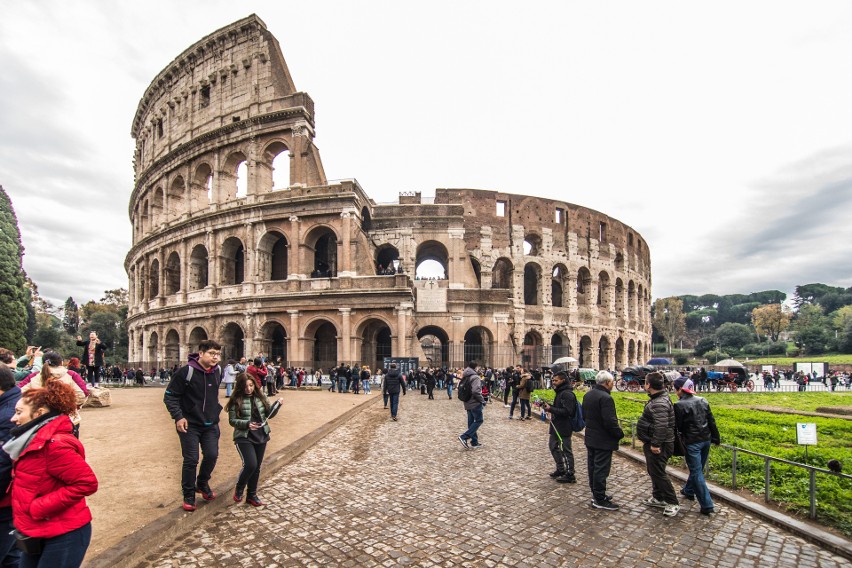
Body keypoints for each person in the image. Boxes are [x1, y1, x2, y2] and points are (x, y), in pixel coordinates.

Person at [4, 380, 98, 567]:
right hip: (38, 529)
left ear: (39, 414)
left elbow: (87, 483)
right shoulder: (29, 440)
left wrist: (38, 507)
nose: (13, 419)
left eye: (19, 412)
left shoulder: (55, 445)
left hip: (64, 533)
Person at [163, 340, 223, 512]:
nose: (216, 357)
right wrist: (178, 416)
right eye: (212, 353)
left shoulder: (217, 371)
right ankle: (188, 494)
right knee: (191, 460)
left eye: (218, 354)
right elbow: (170, 396)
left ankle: (202, 483)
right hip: (189, 423)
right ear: (201, 353)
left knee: (212, 455)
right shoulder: (186, 372)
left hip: (211, 423)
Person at [226, 373, 282, 507]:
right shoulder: (236, 400)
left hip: (261, 434)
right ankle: (240, 488)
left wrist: (277, 405)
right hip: (244, 435)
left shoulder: (261, 397)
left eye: (251, 386)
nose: (249, 389)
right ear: (240, 387)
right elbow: (232, 421)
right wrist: (246, 424)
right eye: (245, 386)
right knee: (250, 464)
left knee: (256, 467)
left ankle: (252, 495)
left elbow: (269, 415)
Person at [673, 377, 720, 515]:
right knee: (697, 469)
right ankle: (688, 490)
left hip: (692, 442)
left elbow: (678, 427)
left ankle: (707, 505)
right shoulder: (702, 400)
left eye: (675, 389)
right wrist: (716, 437)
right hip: (706, 439)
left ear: (680, 389)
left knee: (696, 471)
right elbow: (711, 420)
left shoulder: (679, 405)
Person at [637, 371, 679, 517]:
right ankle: (658, 497)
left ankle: (672, 502)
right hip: (657, 441)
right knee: (654, 470)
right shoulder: (659, 398)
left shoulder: (659, 402)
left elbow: (662, 426)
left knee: (658, 472)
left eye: (645, 382)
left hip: (660, 443)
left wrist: (655, 444)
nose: (644, 384)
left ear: (648, 385)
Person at [19, 352, 87, 439]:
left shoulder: (34, 377)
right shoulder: (71, 375)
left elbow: (19, 392)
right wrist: (73, 405)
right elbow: (83, 394)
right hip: (68, 419)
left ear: (42, 363)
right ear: (61, 362)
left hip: (40, 420)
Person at [582, 371, 624, 510]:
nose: (613, 385)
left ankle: (597, 494)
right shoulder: (606, 398)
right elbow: (610, 421)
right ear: (607, 383)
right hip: (603, 439)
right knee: (601, 470)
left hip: (591, 437)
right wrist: (619, 434)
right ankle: (599, 499)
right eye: (612, 382)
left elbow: (584, 415)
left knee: (593, 468)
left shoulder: (588, 394)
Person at [0, 365, 21, 566]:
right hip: (10, 500)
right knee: (12, 557)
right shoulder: (12, 403)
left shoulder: (7, 415)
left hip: (5, 502)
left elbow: (2, 465)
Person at [541, 370, 577, 483]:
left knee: (566, 450)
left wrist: (551, 409)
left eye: (555, 380)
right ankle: (561, 469)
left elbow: (568, 411)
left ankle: (570, 474)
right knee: (553, 446)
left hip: (564, 426)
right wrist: (549, 407)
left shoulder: (567, 394)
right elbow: (559, 408)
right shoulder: (560, 392)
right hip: (556, 424)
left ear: (563, 380)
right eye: (553, 380)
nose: (553, 382)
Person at [457, 362, 485, 449]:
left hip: (467, 401)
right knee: (479, 420)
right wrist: (482, 400)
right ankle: (464, 437)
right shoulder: (475, 377)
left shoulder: (466, 375)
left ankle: (474, 442)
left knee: (471, 422)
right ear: (475, 367)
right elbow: (476, 391)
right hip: (475, 402)